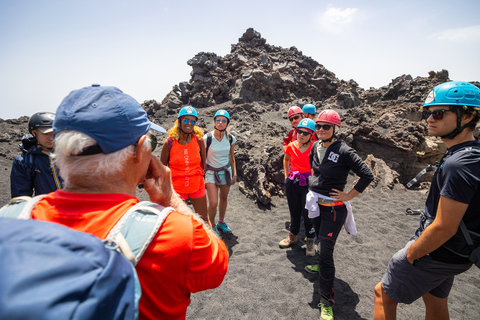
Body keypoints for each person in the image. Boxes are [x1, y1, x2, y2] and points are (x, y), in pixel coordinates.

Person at [29, 84, 229, 320]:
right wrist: (170, 199)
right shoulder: (174, 234)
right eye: (149, 146)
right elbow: (218, 263)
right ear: (139, 152)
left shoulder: (14, 219)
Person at [373, 81, 480, 320]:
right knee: (435, 300)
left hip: (438, 251)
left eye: (439, 113)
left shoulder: (458, 164)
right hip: (460, 253)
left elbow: (444, 227)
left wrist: (412, 253)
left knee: (383, 295)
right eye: (427, 113)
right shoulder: (472, 153)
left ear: (468, 116)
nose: (429, 119)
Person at [304, 109, 374, 320]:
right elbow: (315, 171)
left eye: (326, 126)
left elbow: (367, 175)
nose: (321, 129)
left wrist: (348, 195)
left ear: (335, 129)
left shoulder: (344, 150)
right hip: (316, 205)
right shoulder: (315, 147)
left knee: (326, 254)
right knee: (316, 240)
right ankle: (317, 261)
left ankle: (326, 302)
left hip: (334, 210)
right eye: (318, 126)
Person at [160, 106, 209, 222]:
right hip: (176, 189)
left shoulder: (199, 140)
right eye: (186, 120)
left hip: (197, 185)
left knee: (204, 220)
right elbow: (161, 169)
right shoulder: (169, 143)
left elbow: (203, 163)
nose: (189, 124)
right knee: (179, 222)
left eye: (193, 121)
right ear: (179, 121)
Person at [279, 118, 316, 256]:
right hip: (293, 181)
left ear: (311, 135)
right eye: (299, 131)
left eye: (305, 133)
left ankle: (310, 241)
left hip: (308, 183)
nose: (301, 135)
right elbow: (286, 159)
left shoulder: (315, 148)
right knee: (294, 210)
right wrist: (286, 176)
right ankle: (293, 236)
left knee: (308, 213)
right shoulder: (291, 145)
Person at [10, 112, 63, 197]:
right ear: (34, 133)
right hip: (48, 208)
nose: (51, 138)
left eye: (54, 133)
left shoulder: (70, 155)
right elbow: (21, 198)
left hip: (78, 208)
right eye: (46, 134)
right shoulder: (24, 161)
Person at [204, 109, 237, 235]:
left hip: (226, 172)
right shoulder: (207, 138)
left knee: (224, 198)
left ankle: (221, 222)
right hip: (211, 173)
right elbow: (202, 157)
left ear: (227, 123)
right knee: (213, 203)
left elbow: (232, 157)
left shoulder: (230, 138)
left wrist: (234, 173)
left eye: (224, 121)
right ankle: (211, 224)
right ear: (214, 121)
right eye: (218, 120)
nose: (220, 123)